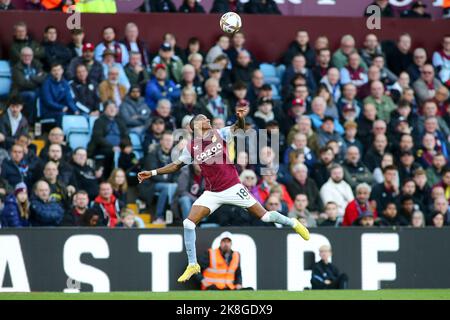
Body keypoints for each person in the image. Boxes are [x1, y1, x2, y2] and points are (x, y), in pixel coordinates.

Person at [138, 104, 310, 282]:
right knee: (188, 223)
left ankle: (293, 222)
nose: (208, 120)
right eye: (204, 118)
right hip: (212, 193)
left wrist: (241, 118)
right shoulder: (191, 147)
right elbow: (176, 165)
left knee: (265, 217)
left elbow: (239, 127)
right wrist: (152, 173)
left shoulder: (219, 133)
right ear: (196, 125)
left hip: (233, 187)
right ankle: (193, 264)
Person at [87, 101, 129, 178]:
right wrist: (112, 146)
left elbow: (125, 135)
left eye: (114, 108)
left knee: (130, 156)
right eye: (110, 108)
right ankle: (110, 177)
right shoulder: (99, 121)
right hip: (102, 148)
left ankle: (126, 179)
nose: (112, 110)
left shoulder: (120, 121)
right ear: (105, 110)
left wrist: (128, 145)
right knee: (110, 153)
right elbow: (98, 137)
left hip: (119, 148)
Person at [11, 47, 47, 122]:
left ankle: (41, 120)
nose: (27, 57)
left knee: (45, 93)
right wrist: (37, 80)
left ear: (32, 56)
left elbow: (44, 78)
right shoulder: (17, 67)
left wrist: (31, 78)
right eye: (25, 55)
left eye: (29, 55)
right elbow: (23, 83)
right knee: (32, 95)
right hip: (20, 92)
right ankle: (29, 121)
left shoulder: (36, 64)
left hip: (35, 90)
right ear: (21, 56)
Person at [40, 62, 78, 127]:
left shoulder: (65, 83)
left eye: (58, 70)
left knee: (77, 115)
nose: (57, 72)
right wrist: (61, 107)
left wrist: (75, 110)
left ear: (62, 71)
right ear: (51, 72)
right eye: (54, 70)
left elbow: (69, 99)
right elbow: (48, 102)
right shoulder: (46, 84)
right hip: (49, 111)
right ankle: (62, 135)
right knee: (62, 115)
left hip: (63, 109)